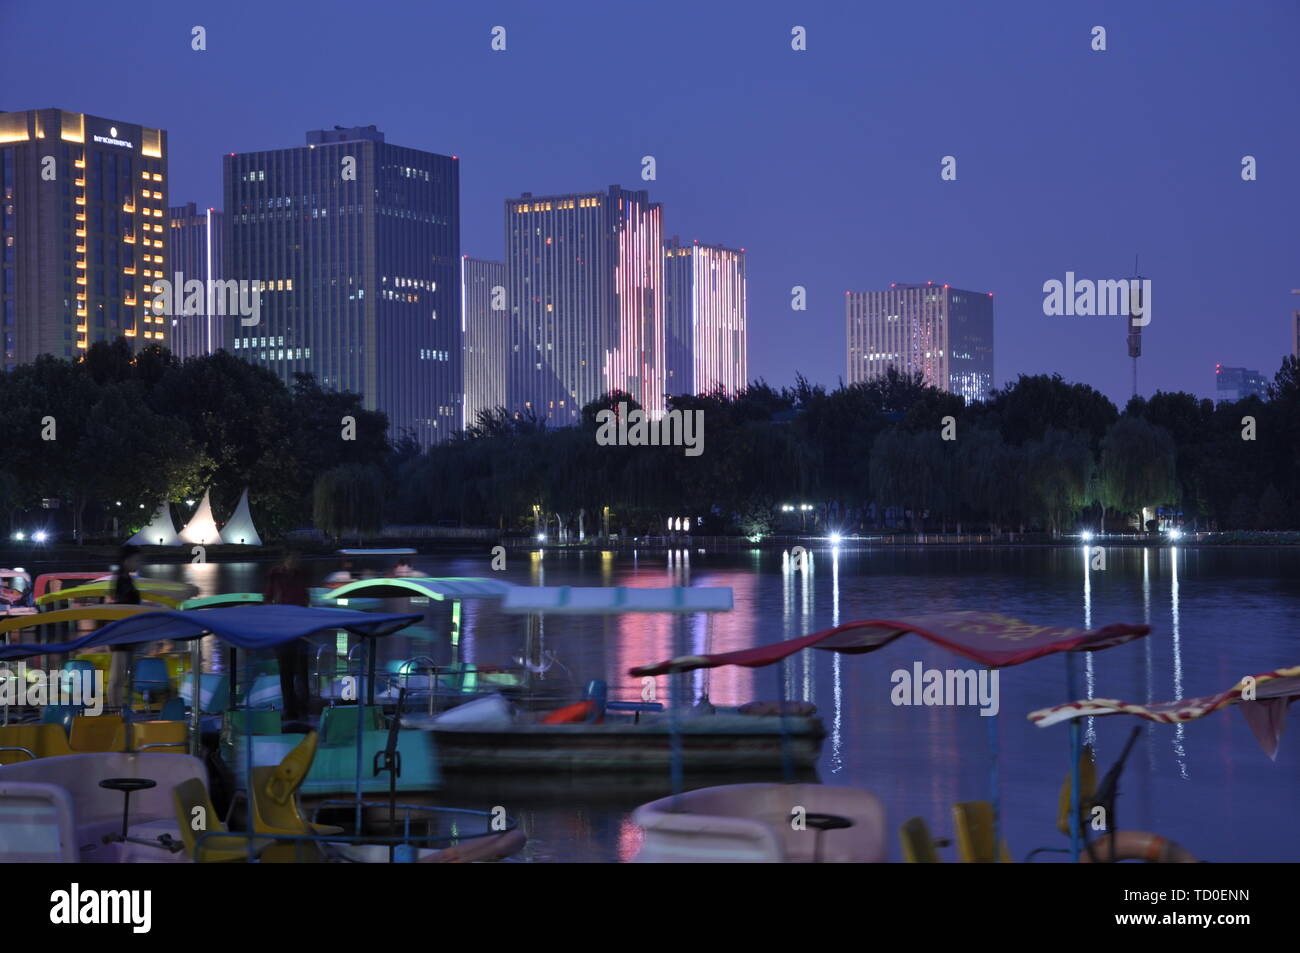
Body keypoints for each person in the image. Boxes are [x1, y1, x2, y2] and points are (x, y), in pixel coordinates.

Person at [264, 551, 311, 722]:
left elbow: (305, 598)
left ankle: (303, 708)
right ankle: (290, 709)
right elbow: (268, 597)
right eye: (292, 559)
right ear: (286, 560)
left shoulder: (300, 576)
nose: (294, 562)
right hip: (283, 628)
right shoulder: (276, 576)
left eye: (296, 559)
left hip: (299, 628)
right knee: (286, 672)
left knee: (301, 671)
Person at [107, 545, 142, 711]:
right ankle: (116, 710)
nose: (139, 563)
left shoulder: (123, 578)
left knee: (119, 676)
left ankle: (117, 709)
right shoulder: (123, 580)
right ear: (126, 561)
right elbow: (123, 604)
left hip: (124, 631)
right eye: (136, 560)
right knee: (118, 676)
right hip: (122, 631)